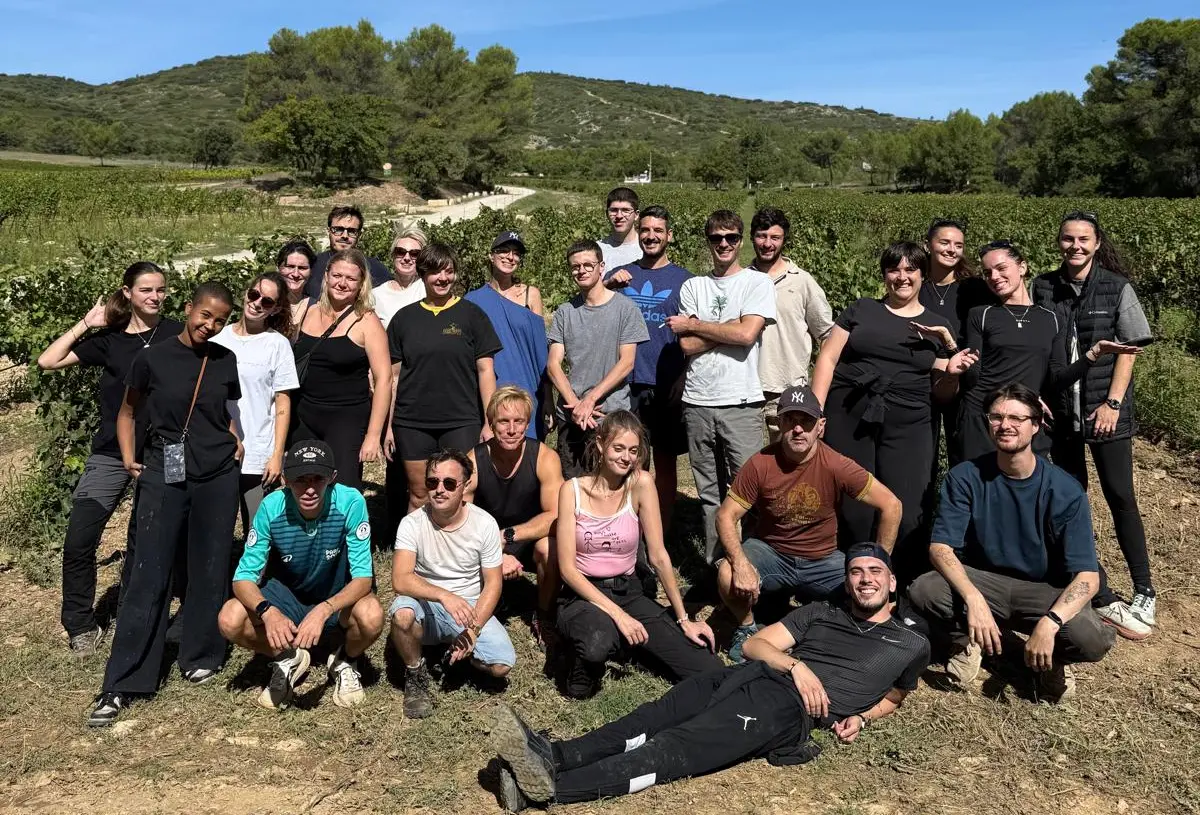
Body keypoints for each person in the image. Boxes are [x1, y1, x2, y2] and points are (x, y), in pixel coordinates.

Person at [490, 544, 929, 810]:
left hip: (785, 710)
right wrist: (798, 666)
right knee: (650, 718)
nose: (864, 580)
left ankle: (552, 789)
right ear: (847, 581)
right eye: (856, 572)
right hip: (747, 675)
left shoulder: (911, 644)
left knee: (678, 748)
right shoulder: (821, 613)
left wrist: (862, 717)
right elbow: (756, 644)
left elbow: (893, 697)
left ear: (892, 584)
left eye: (875, 573)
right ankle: (554, 754)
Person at [88, 282, 243, 727]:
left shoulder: (224, 360)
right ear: (189, 308)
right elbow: (127, 411)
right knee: (149, 572)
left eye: (218, 320)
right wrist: (128, 457)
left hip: (216, 475)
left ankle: (201, 654)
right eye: (203, 315)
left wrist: (235, 440)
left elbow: (224, 412)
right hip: (164, 469)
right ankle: (123, 681)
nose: (208, 325)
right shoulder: (151, 357)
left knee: (209, 566)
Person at [908, 383, 1116, 702]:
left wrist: (1050, 624)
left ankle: (1054, 661)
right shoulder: (965, 477)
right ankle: (967, 640)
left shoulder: (1065, 490)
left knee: (1088, 638)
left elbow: (1087, 577)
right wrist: (974, 599)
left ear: (1035, 425)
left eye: (1017, 418)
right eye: (997, 417)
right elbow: (940, 547)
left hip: (1044, 589)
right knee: (926, 589)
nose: (1006, 425)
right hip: (985, 581)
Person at [37, 262, 181, 655]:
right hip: (110, 454)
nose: (155, 297)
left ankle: (178, 613)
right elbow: (47, 361)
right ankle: (80, 624)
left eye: (161, 290)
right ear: (128, 293)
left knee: (174, 534)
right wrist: (87, 323)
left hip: (167, 451)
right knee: (80, 539)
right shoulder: (110, 340)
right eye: (147, 290)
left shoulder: (176, 333)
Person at [811, 242, 977, 583]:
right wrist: (815, 412)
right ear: (885, 274)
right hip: (850, 412)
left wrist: (951, 370)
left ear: (922, 274)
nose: (902, 277)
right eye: (894, 269)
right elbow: (828, 358)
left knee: (909, 502)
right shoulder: (862, 309)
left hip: (910, 420)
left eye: (910, 270)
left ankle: (900, 580)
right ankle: (849, 578)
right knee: (852, 501)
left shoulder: (937, 324)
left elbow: (944, 393)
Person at [1032, 211, 1157, 638]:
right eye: (1068, 239)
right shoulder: (1044, 287)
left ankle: (1144, 589)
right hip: (1062, 414)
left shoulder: (1116, 287)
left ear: (1097, 243)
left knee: (1121, 497)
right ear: (1058, 242)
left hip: (1106, 412)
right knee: (1072, 499)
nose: (1076, 247)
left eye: (1084, 239)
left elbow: (1129, 349)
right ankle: (1090, 581)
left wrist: (1113, 404)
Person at [716, 383, 903, 662]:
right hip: (771, 553)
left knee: (869, 591)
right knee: (727, 574)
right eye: (790, 420)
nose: (798, 429)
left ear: (821, 426)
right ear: (779, 423)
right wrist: (742, 564)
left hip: (822, 558)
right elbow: (725, 515)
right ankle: (747, 628)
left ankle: (833, 629)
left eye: (806, 421)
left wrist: (879, 563)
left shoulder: (836, 464)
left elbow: (892, 505)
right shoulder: (760, 464)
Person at [555, 411, 720, 699]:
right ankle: (585, 658)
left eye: (633, 451)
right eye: (618, 448)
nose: (626, 457)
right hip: (582, 593)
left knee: (706, 668)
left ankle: (627, 640)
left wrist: (683, 620)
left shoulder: (641, 484)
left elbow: (658, 555)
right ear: (600, 444)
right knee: (596, 645)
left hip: (629, 591)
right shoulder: (572, 490)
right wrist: (620, 617)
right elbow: (568, 570)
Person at [217, 440, 383, 710]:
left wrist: (323, 611)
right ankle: (288, 655)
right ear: (285, 479)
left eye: (317, 479)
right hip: (287, 596)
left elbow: (363, 578)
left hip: (334, 594)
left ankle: (344, 659)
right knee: (229, 619)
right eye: (299, 479)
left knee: (372, 615)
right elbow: (242, 578)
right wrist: (268, 611)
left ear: (332, 478)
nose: (309, 489)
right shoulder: (271, 507)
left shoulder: (351, 502)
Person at [666, 210, 775, 563]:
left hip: (741, 401)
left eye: (730, 237)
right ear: (708, 242)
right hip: (697, 401)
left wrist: (699, 325)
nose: (724, 244)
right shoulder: (693, 286)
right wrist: (730, 326)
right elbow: (687, 346)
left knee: (750, 491)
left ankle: (757, 566)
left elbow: (746, 335)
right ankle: (719, 568)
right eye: (716, 238)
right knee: (709, 493)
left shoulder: (757, 283)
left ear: (740, 241)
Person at [390, 449, 516, 719]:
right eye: (432, 482)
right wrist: (444, 595)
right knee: (402, 615)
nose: (439, 490)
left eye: (449, 483)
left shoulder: (484, 524)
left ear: (465, 485)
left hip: (469, 607)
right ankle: (415, 674)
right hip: (427, 603)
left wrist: (473, 629)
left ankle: (456, 653)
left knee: (501, 665)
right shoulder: (412, 523)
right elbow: (400, 579)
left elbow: (493, 583)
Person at [387, 243, 500, 521]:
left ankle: (459, 554)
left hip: (461, 419)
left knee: (460, 491)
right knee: (419, 493)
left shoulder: (472, 316)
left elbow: (486, 371)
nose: (442, 279)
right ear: (423, 275)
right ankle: (414, 555)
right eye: (435, 272)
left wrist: (490, 420)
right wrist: (388, 426)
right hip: (412, 421)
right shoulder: (404, 319)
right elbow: (393, 377)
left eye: (449, 272)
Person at [603, 205, 691, 528]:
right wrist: (609, 285)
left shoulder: (686, 281)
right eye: (645, 230)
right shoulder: (622, 275)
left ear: (669, 236)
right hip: (628, 382)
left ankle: (662, 530)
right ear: (637, 234)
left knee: (665, 462)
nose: (651, 236)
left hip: (667, 383)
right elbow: (590, 307)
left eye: (658, 231)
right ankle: (628, 528)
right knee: (630, 460)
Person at [465, 387, 562, 645]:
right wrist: (494, 552)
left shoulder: (545, 458)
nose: (511, 429)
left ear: (527, 424)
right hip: (485, 542)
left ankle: (544, 614)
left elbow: (555, 515)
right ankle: (490, 598)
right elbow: (460, 519)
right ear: (491, 424)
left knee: (550, 548)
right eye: (503, 421)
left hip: (525, 536)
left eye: (518, 422)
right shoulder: (473, 461)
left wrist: (508, 536)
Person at [291, 249, 391, 494]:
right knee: (303, 484)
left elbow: (384, 379)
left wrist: (373, 435)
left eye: (351, 279)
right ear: (326, 276)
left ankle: (347, 532)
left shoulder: (366, 321)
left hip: (346, 418)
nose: (342, 283)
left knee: (343, 489)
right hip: (304, 416)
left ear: (361, 285)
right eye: (337, 275)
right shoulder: (307, 311)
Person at [211, 272, 299, 551]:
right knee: (217, 527)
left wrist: (276, 455)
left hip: (258, 451)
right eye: (254, 295)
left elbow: (283, 404)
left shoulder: (278, 345)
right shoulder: (218, 338)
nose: (258, 303)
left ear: (276, 308)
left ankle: (257, 587)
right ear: (245, 293)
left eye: (268, 301)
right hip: (219, 448)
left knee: (258, 530)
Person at [547, 240, 648, 479]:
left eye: (587, 265)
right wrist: (575, 403)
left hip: (610, 414)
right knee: (575, 486)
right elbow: (553, 364)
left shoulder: (625, 309)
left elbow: (626, 363)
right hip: (572, 417)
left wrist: (590, 399)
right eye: (575, 267)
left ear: (601, 266)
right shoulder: (565, 312)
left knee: (614, 486)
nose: (581, 271)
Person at [747, 208, 835, 444]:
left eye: (775, 237)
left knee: (785, 465)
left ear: (784, 240)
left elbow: (827, 335)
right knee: (747, 469)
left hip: (788, 390)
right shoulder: (742, 280)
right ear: (751, 237)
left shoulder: (802, 281)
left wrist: (818, 392)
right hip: (746, 389)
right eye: (761, 236)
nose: (767, 244)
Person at [917, 219, 994, 469]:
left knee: (963, 455)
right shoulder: (914, 285)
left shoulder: (975, 288)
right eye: (945, 242)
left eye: (958, 245)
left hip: (965, 382)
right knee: (921, 458)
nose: (952, 249)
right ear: (927, 245)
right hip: (921, 380)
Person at [465, 230, 549, 440]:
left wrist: (548, 398)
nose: (510, 257)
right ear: (491, 256)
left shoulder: (531, 295)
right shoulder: (472, 300)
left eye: (516, 253)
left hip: (528, 390)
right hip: (488, 393)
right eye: (504, 250)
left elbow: (541, 352)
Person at [302, 205, 391, 298]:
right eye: (338, 230)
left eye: (351, 231)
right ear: (328, 231)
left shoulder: (375, 269)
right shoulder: (312, 265)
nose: (345, 235)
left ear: (359, 235)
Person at [373, 227, 427, 328]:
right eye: (401, 252)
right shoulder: (376, 295)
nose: (407, 258)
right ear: (393, 255)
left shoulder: (429, 289)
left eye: (415, 254)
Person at [596, 187, 642, 270]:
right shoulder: (597, 249)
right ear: (607, 214)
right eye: (614, 210)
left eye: (626, 210)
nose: (619, 216)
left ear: (636, 215)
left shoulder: (646, 248)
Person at [276, 240, 317, 329]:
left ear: (311, 271)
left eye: (302, 268)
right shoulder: (266, 303)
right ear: (278, 268)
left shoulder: (317, 308)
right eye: (290, 266)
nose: (295, 274)